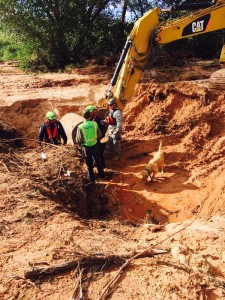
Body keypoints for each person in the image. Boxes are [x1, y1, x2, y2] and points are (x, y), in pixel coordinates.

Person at [76, 109, 104, 183]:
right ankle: (102, 175)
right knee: (98, 161)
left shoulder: (80, 127)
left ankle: (91, 179)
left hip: (86, 148)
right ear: (90, 115)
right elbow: (100, 135)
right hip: (95, 145)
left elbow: (78, 139)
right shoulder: (95, 124)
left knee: (89, 164)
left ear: (83, 116)